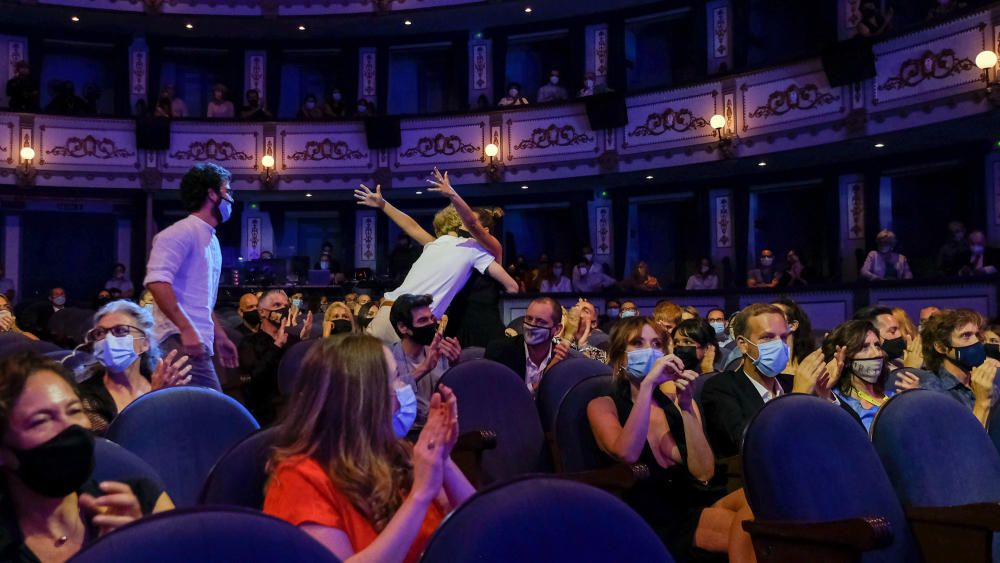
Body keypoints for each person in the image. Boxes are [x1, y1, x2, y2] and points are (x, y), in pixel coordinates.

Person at [263, 335, 475, 562]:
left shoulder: (394, 452)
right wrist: (420, 495)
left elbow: (480, 523)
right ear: (366, 400)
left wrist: (442, 456)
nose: (403, 388)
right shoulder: (299, 479)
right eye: (395, 379)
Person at [587, 316, 754, 560]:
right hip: (651, 516)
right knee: (753, 535)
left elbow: (704, 473)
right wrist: (646, 387)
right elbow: (627, 453)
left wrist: (686, 407)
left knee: (763, 506)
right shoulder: (602, 405)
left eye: (656, 344)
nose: (650, 351)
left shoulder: (676, 401)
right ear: (621, 356)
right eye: (638, 343)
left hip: (695, 503)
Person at [0, 352, 174, 562]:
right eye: (41, 420)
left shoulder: (139, 500)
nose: (70, 427)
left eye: (74, 411)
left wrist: (140, 546)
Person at [354, 176, 517, 345]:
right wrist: (383, 204)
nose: (462, 219)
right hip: (408, 314)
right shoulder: (444, 244)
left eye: (465, 217)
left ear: (485, 230)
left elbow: (512, 286)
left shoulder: (483, 248)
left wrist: (452, 195)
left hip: (467, 322)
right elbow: (412, 227)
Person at [144, 162, 239, 392]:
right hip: (176, 338)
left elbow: (201, 302)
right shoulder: (179, 232)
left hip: (193, 338)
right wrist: (186, 329)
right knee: (213, 413)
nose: (231, 199)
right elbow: (157, 283)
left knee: (200, 416)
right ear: (212, 194)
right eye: (227, 191)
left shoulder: (211, 239)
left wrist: (219, 336)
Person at [701, 303, 833, 458]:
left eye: (783, 337)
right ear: (743, 345)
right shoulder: (721, 388)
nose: (779, 344)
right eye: (767, 337)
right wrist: (797, 398)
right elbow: (749, 444)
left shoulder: (791, 381)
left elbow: (832, 436)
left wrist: (826, 397)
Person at [78, 301, 192, 434]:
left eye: (120, 330)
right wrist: (154, 400)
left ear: (145, 343)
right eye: (100, 333)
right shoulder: (86, 397)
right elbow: (117, 448)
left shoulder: (161, 382)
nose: (108, 340)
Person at [826, 320, 918, 431]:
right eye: (864, 347)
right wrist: (825, 391)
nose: (876, 353)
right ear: (846, 358)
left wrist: (915, 401)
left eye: (877, 346)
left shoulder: (895, 397)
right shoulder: (835, 400)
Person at [238, 289, 313, 425]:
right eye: (277, 306)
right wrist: (277, 346)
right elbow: (255, 381)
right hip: (266, 414)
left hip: (296, 411)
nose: (283, 309)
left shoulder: (294, 340)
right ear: (262, 312)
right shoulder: (249, 343)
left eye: (286, 306)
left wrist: (305, 343)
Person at [390, 295, 461, 434]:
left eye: (431, 319)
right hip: (403, 435)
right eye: (423, 320)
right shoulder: (388, 357)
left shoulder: (440, 353)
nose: (430, 325)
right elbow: (385, 396)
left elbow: (453, 396)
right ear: (403, 327)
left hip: (438, 430)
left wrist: (455, 366)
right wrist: (424, 368)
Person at [922, 309, 1000, 427]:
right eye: (966, 335)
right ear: (941, 347)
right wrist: (982, 403)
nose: (976, 341)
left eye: (977, 334)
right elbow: (961, 443)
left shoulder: (988, 379)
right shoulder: (932, 392)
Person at [484, 297, 578, 393]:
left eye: (541, 321)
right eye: (529, 319)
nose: (532, 326)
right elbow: (494, 395)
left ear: (557, 329)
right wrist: (535, 387)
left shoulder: (565, 360)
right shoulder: (499, 351)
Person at [853, 305, 922, 369]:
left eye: (899, 329)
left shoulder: (898, 363)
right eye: (892, 331)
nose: (899, 334)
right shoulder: (869, 370)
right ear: (872, 334)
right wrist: (911, 369)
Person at [771, 297, 816, 374]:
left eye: (775, 315)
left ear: (792, 325)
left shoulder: (811, 366)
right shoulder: (765, 365)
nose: (767, 319)